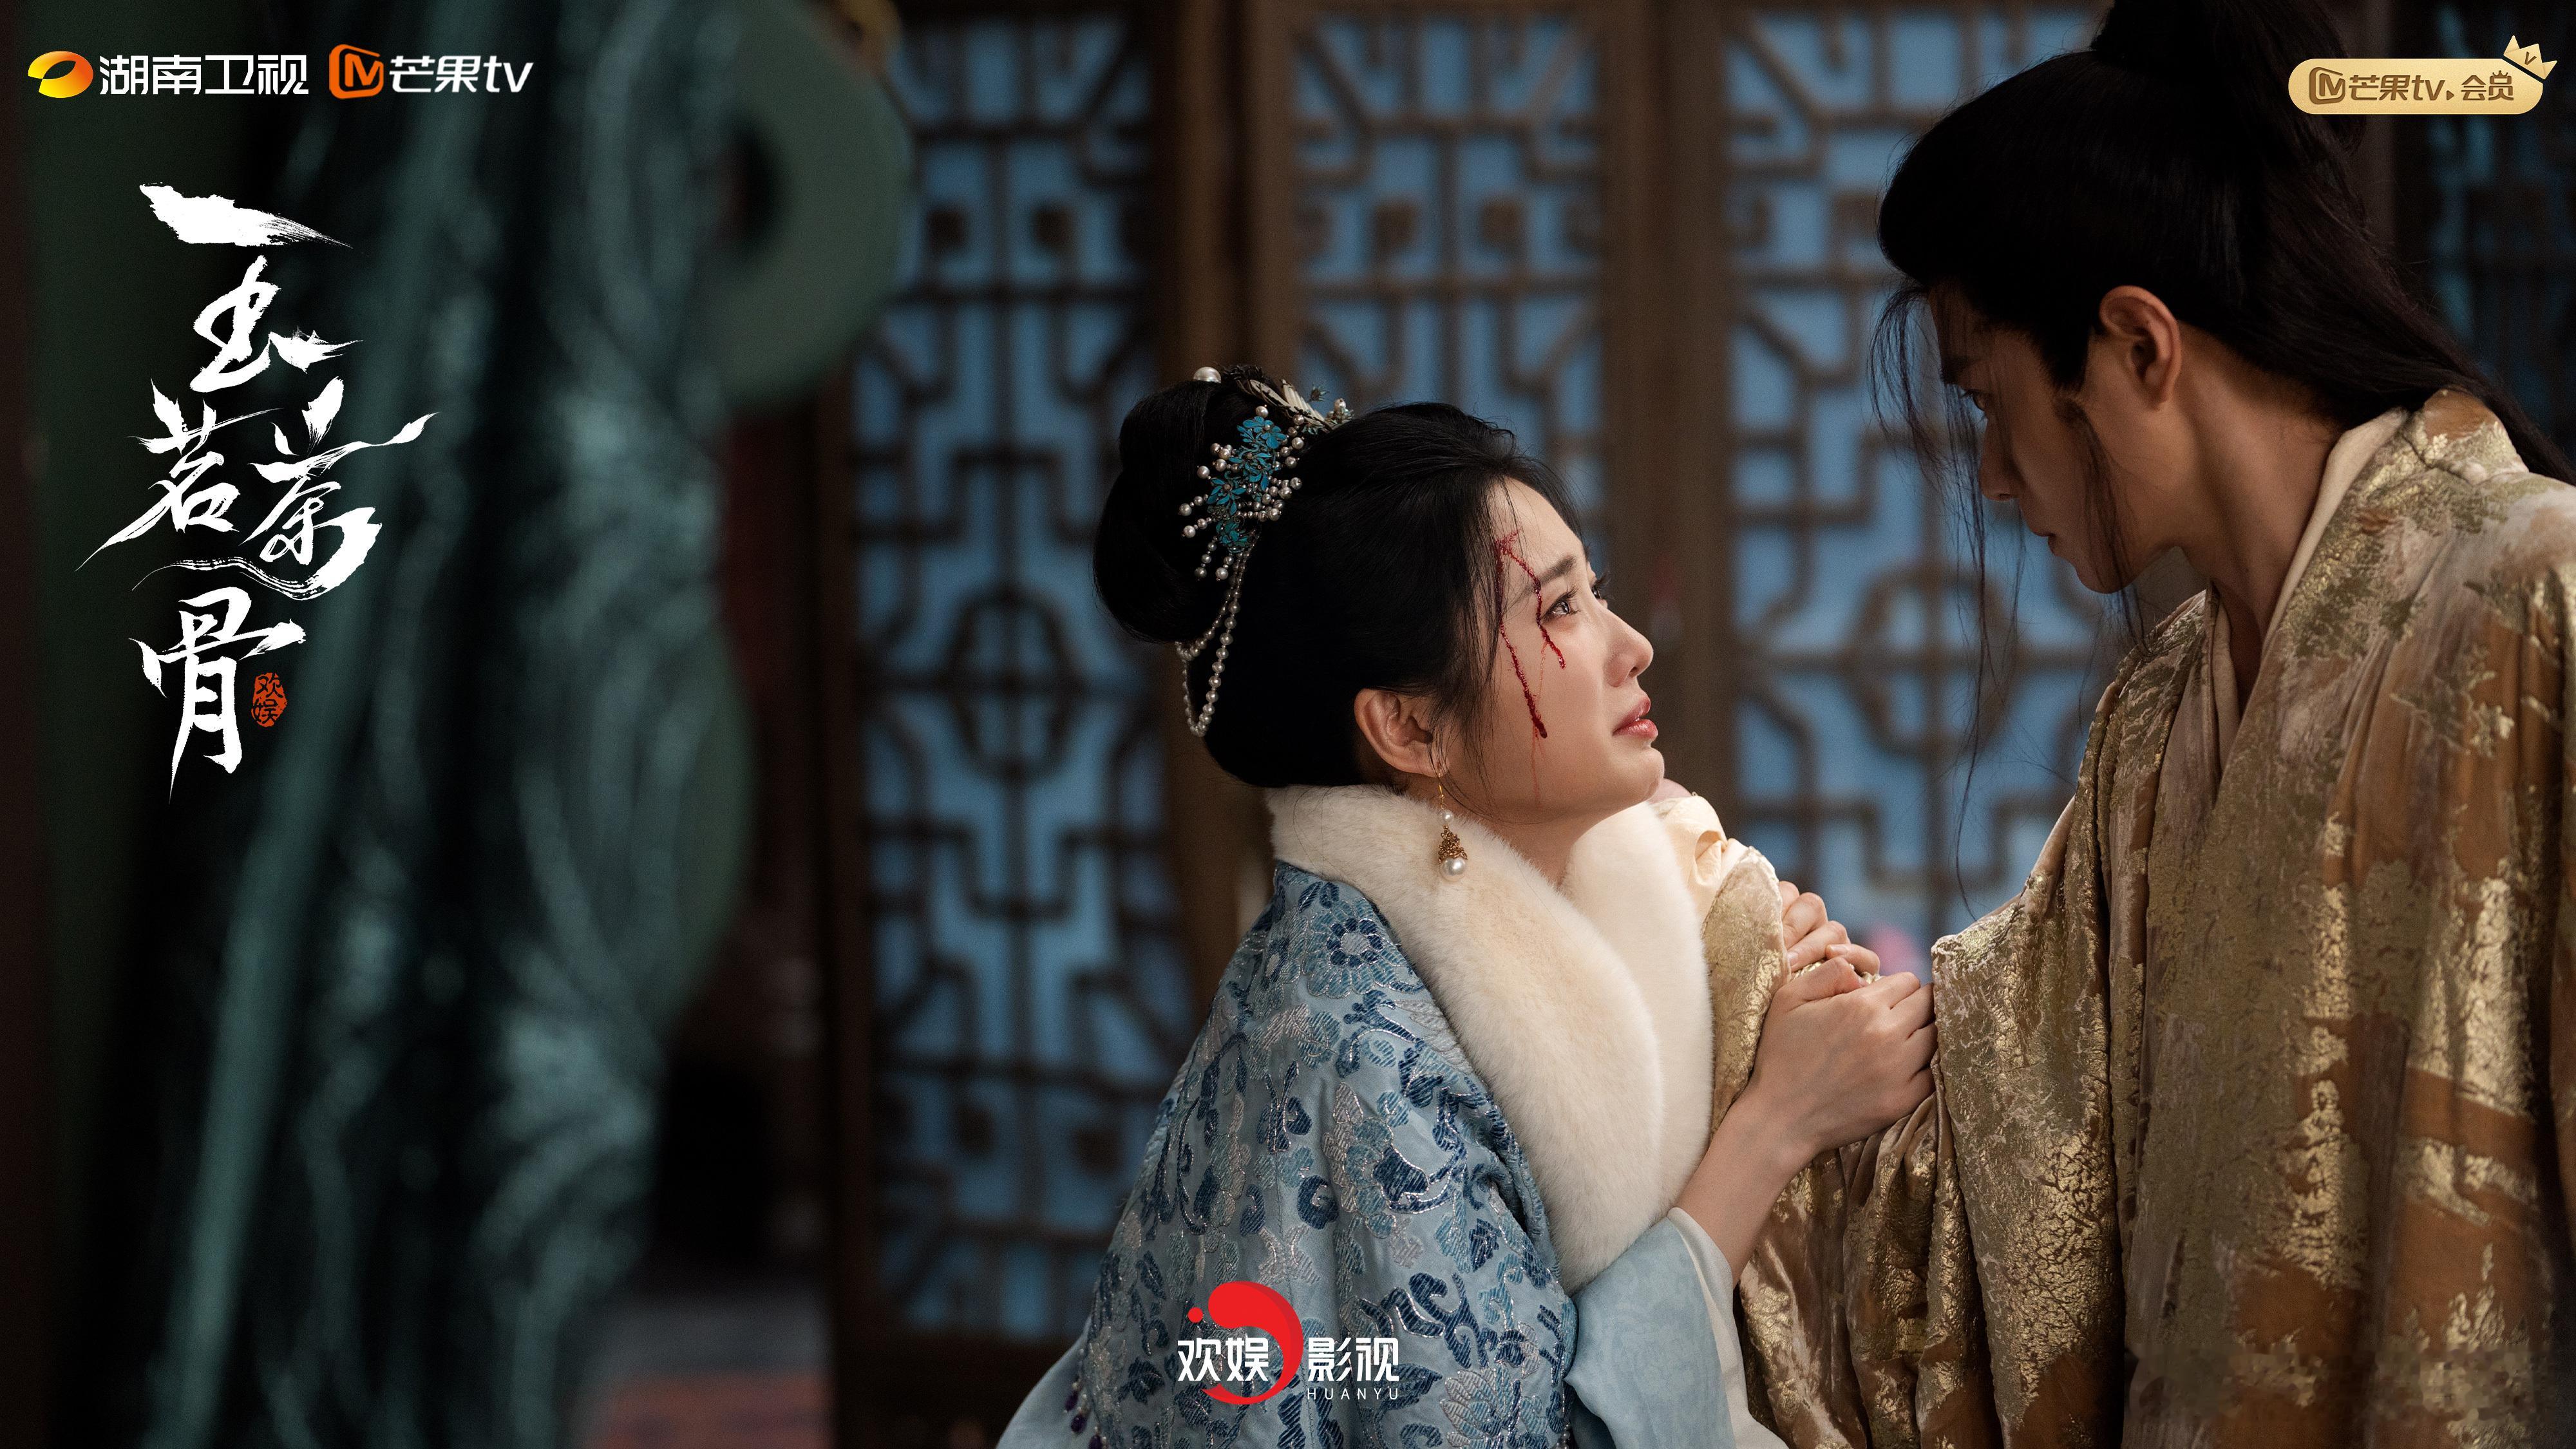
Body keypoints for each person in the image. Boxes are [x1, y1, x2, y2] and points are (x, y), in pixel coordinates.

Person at [1725, 0, 2576, 1443]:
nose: (1995, 476)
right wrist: (1717, 964)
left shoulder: (2534, 603)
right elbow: (1987, 1197)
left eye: (1988, 401)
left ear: (2135, 344)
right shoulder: (2155, 723)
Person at [996, 365, 1935, 1446]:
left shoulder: (1634, 871)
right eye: (1561, 608)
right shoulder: (1349, 1051)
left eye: (1595, 589)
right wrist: (1776, 1123)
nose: (1631, 645)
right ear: (1410, 729)